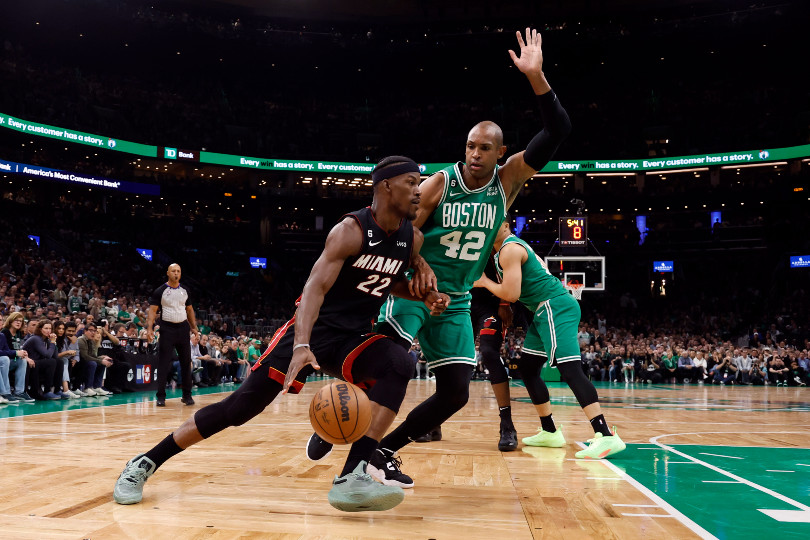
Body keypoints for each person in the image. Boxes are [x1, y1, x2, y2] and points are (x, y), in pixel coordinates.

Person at [310, 28, 571, 487]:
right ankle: (337, 423)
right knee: (384, 363)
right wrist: (418, 270)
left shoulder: (507, 181)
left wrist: (537, 77)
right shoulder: (439, 183)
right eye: (469, 145)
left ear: (500, 152)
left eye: (483, 147)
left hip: (457, 301)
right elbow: (404, 229)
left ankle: (385, 449)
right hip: (413, 291)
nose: (473, 153)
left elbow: (558, 131)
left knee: (455, 392)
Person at [114, 156, 449, 512]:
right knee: (239, 409)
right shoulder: (350, 231)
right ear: (386, 186)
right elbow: (314, 290)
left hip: (352, 338)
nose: (419, 192)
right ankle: (144, 462)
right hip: (311, 331)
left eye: (420, 184)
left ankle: (352, 475)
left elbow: (389, 282)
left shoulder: (410, 238)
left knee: (399, 363)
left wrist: (426, 294)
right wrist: (302, 345)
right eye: (412, 183)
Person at [473, 219, 625, 458]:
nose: (489, 229)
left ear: (505, 225)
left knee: (570, 369)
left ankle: (605, 435)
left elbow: (511, 295)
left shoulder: (510, 249)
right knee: (528, 368)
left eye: (494, 223)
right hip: (543, 311)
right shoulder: (504, 251)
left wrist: (484, 282)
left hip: (554, 306)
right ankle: (550, 431)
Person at [146, 263, 199, 407]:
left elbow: (189, 310)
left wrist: (194, 328)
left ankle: (187, 395)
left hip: (183, 328)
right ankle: (161, 397)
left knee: (186, 362)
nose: (176, 273)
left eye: (178, 271)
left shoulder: (185, 290)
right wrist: (149, 328)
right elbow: (152, 311)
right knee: (163, 363)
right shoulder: (160, 291)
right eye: (173, 271)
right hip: (167, 328)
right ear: (168, 273)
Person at [0, 312, 35, 403]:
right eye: (16, 320)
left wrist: (23, 354)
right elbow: (8, 352)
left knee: (22, 361)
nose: (18, 323)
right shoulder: (5, 332)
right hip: (7, 360)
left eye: (20, 321)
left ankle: (19, 392)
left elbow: (11, 350)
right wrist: (16, 353)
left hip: (10, 359)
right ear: (10, 321)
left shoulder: (17, 333)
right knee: (5, 359)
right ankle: (5, 392)